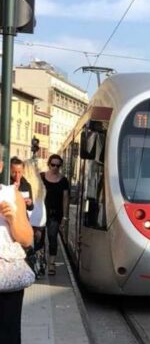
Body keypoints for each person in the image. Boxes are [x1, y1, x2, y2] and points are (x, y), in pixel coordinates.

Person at [0, 144, 33, 344]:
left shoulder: (12, 195)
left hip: (6, 281)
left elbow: (27, 239)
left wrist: (13, 220)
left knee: (8, 336)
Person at [41, 154, 70, 276]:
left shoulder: (63, 180)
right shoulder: (41, 177)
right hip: (41, 212)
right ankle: (40, 261)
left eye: (58, 165)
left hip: (55, 214)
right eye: (53, 164)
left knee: (52, 237)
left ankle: (51, 263)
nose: (55, 167)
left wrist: (64, 217)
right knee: (39, 238)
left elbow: (65, 199)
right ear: (49, 164)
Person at [23, 159, 47, 277]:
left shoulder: (24, 184)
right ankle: (39, 269)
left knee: (28, 246)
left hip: (29, 217)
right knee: (38, 246)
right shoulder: (40, 183)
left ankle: (30, 270)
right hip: (40, 219)